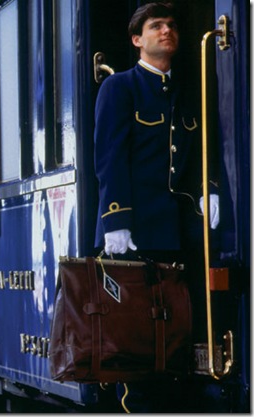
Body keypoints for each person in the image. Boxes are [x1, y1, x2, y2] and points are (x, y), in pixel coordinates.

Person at [93, 1, 219, 412]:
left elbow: (200, 151)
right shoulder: (120, 87)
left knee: (177, 337)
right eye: (156, 26)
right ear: (137, 39)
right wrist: (116, 218)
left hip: (177, 232)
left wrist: (208, 189)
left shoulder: (185, 92)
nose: (167, 31)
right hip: (134, 237)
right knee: (136, 343)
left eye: (171, 26)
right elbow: (109, 156)